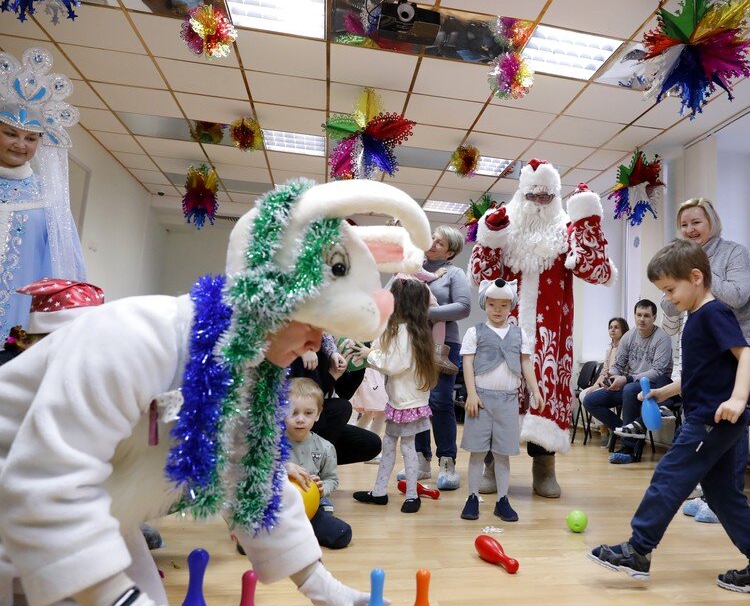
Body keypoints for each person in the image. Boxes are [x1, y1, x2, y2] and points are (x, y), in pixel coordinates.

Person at [0, 178, 431, 606]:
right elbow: (46, 484)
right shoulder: (132, 337)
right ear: (265, 300)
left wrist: (327, 591)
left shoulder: (247, 377)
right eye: (313, 325)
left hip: (95, 518)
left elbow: (254, 482)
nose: (317, 344)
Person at [590, 239, 750, 600]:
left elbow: (745, 358)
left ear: (696, 277)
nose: (667, 298)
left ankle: (638, 549)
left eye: (670, 289)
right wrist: (667, 392)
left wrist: (739, 399)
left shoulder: (714, 313)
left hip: (710, 421)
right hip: (712, 420)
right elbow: (705, 372)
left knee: (669, 478)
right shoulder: (697, 317)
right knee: (725, 496)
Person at [471, 160, 616, 497]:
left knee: (545, 393)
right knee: (499, 392)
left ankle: (544, 465)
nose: (538, 203)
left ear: (556, 197)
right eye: (532, 196)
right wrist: (491, 237)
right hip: (503, 332)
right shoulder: (505, 228)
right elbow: (481, 276)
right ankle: (493, 462)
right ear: (522, 195)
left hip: (551, 336)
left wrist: (586, 219)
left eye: (546, 198)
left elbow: (598, 271)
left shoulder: (567, 231)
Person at [664, 198, 750, 523]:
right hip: (709, 351)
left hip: (742, 345)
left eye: (697, 222)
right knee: (709, 418)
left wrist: (698, 276)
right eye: (685, 225)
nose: (691, 229)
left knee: (730, 420)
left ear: (711, 222)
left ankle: (726, 497)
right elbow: (668, 306)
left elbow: (737, 295)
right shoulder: (681, 259)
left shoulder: (735, 253)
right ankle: (711, 492)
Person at [0, 47, 86, 337]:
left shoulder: (46, 200)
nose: (20, 144)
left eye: (31, 137)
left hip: (14, 335)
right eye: (11, 133)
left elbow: (61, 270)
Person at [353, 279, 439, 514]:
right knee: (391, 445)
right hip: (405, 400)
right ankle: (380, 491)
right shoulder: (415, 330)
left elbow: (393, 364)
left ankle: (411, 495)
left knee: (406, 448)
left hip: (405, 403)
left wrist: (369, 354)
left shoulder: (404, 332)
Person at [459, 279, 542, 522]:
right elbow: (467, 363)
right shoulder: (475, 332)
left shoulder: (519, 334)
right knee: (477, 452)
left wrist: (535, 390)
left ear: (511, 306)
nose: (498, 310)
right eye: (493, 304)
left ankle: (502, 500)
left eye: (503, 305)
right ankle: (472, 497)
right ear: (485, 304)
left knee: (502, 453)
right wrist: (472, 393)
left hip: (508, 401)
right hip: (481, 400)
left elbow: (526, 363)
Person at [412, 225, 471, 489]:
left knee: (439, 401)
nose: (433, 243)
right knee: (415, 402)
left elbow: (463, 307)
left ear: (450, 252)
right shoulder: (412, 267)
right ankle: (420, 461)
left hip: (444, 344)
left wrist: (426, 314)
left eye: (440, 242)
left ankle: (447, 461)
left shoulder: (455, 273)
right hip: (414, 343)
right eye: (433, 239)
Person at [583, 300, 672, 464]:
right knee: (590, 400)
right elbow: (618, 365)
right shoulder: (628, 337)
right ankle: (627, 431)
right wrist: (611, 377)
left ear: (654, 317)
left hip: (653, 385)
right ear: (634, 316)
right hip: (629, 384)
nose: (642, 319)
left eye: (646, 316)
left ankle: (629, 448)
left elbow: (658, 372)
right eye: (639, 315)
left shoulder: (662, 339)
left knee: (630, 389)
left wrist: (628, 379)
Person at [289, 340, 382, 467]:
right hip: (292, 423)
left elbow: (344, 394)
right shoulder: (310, 349)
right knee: (341, 408)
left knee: (371, 443)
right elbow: (304, 400)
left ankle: (318, 463)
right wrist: (331, 376)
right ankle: (308, 465)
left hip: (315, 423)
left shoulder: (335, 350)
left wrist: (358, 367)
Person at [285, 378, 352, 550]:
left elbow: (332, 479)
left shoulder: (325, 447)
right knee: (245, 541)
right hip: (279, 507)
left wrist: (324, 488)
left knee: (342, 534)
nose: (300, 419)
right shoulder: (271, 444)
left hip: (311, 508)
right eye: (293, 412)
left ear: (318, 414)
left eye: (308, 413)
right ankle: (293, 533)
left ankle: (293, 533)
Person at [578, 316, 630, 447]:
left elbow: (624, 372)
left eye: (616, 327)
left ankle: (611, 430)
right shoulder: (609, 349)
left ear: (623, 330)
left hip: (620, 384)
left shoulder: (626, 348)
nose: (612, 330)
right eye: (610, 327)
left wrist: (603, 384)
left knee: (588, 397)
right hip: (607, 382)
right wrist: (595, 385)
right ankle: (605, 429)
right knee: (584, 394)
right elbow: (604, 371)